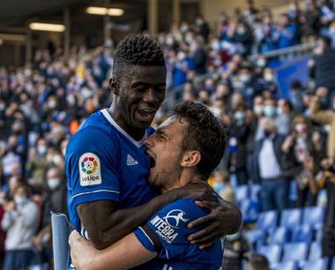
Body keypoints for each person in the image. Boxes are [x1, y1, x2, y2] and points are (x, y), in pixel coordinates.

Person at [65, 34, 241, 251]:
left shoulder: (153, 140)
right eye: (140, 88)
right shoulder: (94, 141)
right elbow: (102, 233)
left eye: (159, 88)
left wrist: (232, 214)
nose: (151, 98)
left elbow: (197, 190)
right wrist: (173, 197)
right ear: (115, 86)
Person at [69, 101, 227, 269]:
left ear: (189, 158)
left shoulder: (185, 210)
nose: (148, 140)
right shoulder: (206, 203)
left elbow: (91, 265)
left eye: (161, 136)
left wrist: (74, 237)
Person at [252, 117, 289, 211]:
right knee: (267, 210)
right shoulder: (260, 142)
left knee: (282, 208)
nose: (264, 128)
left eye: (266, 124)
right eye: (262, 126)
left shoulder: (281, 139)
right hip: (265, 181)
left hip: (279, 180)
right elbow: (255, 161)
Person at [1, 184, 40, 270]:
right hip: (11, 248)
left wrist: (16, 210)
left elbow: (28, 222)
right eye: (17, 193)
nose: (20, 195)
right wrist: (8, 212)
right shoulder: (12, 206)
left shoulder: (31, 207)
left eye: (22, 192)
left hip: (24, 248)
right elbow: (4, 225)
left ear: (26, 194)